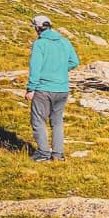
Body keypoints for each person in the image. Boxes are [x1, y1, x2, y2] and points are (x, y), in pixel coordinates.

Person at [24, 15, 80, 162]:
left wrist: (31, 88)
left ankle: (43, 153)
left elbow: (35, 67)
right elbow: (74, 61)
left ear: (37, 28)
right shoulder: (65, 41)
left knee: (38, 120)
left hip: (44, 88)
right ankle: (57, 154)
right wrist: (60, 70)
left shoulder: (40, 44)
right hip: (62, 89)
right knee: (57, 121)